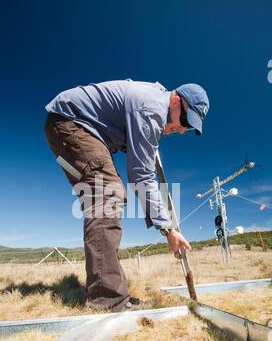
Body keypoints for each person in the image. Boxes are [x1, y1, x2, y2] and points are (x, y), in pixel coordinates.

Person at [44, 79, 209, 311]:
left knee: (106, 194)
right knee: (107, 194)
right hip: (71, 125)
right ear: (175, 100)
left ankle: (107, 293)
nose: (182, 129)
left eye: (189, 127)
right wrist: (168, 229)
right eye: (184, 120)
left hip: (68, 129)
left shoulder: (152, 105)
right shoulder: (152, 109)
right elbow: (141, 175)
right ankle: (107, 301)